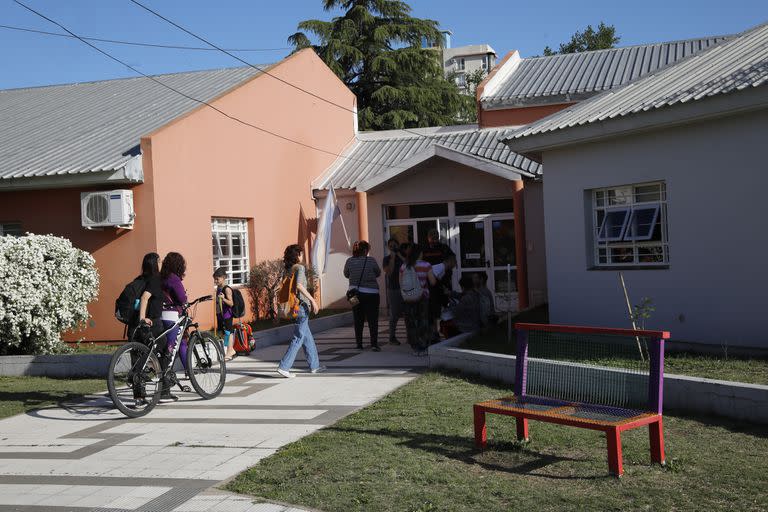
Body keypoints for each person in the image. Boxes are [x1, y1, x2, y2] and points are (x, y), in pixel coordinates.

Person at [277, 244, 325, 377]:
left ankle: (314, 366)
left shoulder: (288, 269)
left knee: (307, 337)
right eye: (301, 253)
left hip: (294, 307)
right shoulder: (300, 268)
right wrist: (312, 300)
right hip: (301, 306)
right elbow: (298, 286)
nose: (303, 255)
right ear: (297, 255)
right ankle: (284, 366)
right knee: (298, 337)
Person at [136, 252, 177, 402]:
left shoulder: (140, 279)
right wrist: (143, 319)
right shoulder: (155, 279)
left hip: (137, 325)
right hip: (153, 322)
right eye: (159, 261)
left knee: (147, 354)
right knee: (166, 351)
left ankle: (140, 396)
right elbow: (145, 297)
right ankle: (163, 391)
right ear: (155, 264)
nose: (161, 264)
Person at [344, 240, 382, 351]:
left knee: (357, 318)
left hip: (353, 294)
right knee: (372, 319)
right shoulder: (371, 260)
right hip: (371, 294)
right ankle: (374, 344)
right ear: (365, 250)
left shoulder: (349, 261)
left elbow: (346, 274)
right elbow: (378, 273)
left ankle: (359, 344)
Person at [399, 243, 436, 356]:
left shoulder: (404, 266)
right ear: (420, 253)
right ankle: (423, 346)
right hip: (423, 297)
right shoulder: (426, 265)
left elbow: (400, 283)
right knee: (422, 322)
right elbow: (433, 282)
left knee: (411, 323)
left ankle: (415, 347)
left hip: (408, 298)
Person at [160, 252, 188, 370]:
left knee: (181, 342)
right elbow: (181, 298)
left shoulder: (160, 277)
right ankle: (165, 373)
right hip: (171, 314)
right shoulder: (173, 278)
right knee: (171, 348)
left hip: (158, 314)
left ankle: (188, 370)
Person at [429, 253, 457, 341]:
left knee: (434, 316)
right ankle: (433, 335)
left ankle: (434, 334)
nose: (455, 264)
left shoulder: (443, 270)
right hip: (431, 295)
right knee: (433, 316)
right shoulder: (440, 268)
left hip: (433, 295)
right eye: (454, 262)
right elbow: (432, 281)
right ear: (450, 261)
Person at [382, 238, 404, 346]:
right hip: (393, 289)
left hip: (405, 288)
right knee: (394, 314)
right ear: (388, 247)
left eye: (395, 245)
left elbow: (409, 266)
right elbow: (389, 273)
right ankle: (392, 337)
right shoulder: (386, 259)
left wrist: (399, 255)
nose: (393, 248)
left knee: (408, 313)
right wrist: (392, 259)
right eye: (391, 246)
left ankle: (411, 336)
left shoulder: (402, 257)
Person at [213, 267, 236, 361]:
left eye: (217, 279)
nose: (215, 281)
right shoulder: (219, 288)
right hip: (220, 314)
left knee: (228, 332)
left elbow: (231, 303)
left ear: (223, 277)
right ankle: (230, 350)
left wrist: (223, 299)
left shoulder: (227, 289)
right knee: (224, 333)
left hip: (227, 314)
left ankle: (229, 351)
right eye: (214, 279)